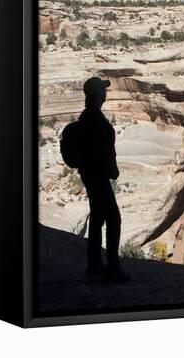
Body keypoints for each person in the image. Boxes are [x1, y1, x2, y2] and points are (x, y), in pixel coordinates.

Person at [77, 76, 130, 283]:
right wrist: (112, 170)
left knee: (97, 218)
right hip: (98, 176)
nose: (106, 93)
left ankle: (94, 264)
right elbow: (102, 151)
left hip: (89, 174)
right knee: (113, 219)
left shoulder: (85, 117)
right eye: (104, 90)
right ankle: (113, 267)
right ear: (98, 95)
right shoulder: (96, 120)